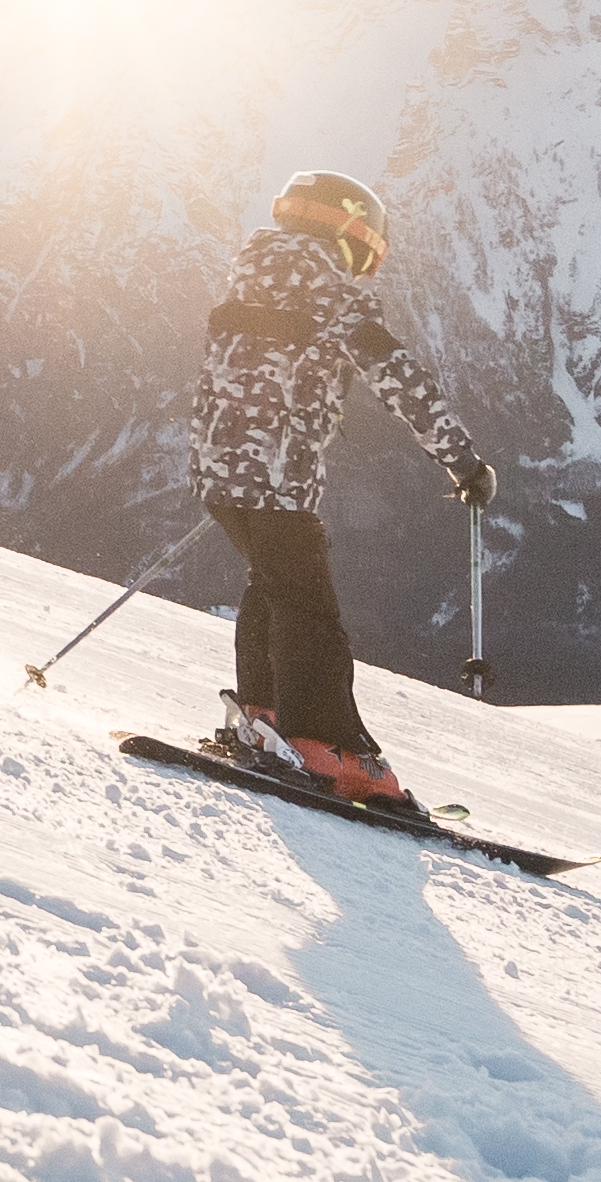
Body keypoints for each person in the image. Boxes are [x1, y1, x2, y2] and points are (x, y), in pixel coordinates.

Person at [188, 169, 495, 806]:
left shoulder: (248, 274)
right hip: (277, 477)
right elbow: (400, 381)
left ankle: (264, 720)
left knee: (271, 585)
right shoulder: (334, 295)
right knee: (309, 609)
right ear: (351, 232)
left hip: (218, 474)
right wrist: (463, 463)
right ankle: (331, 749)